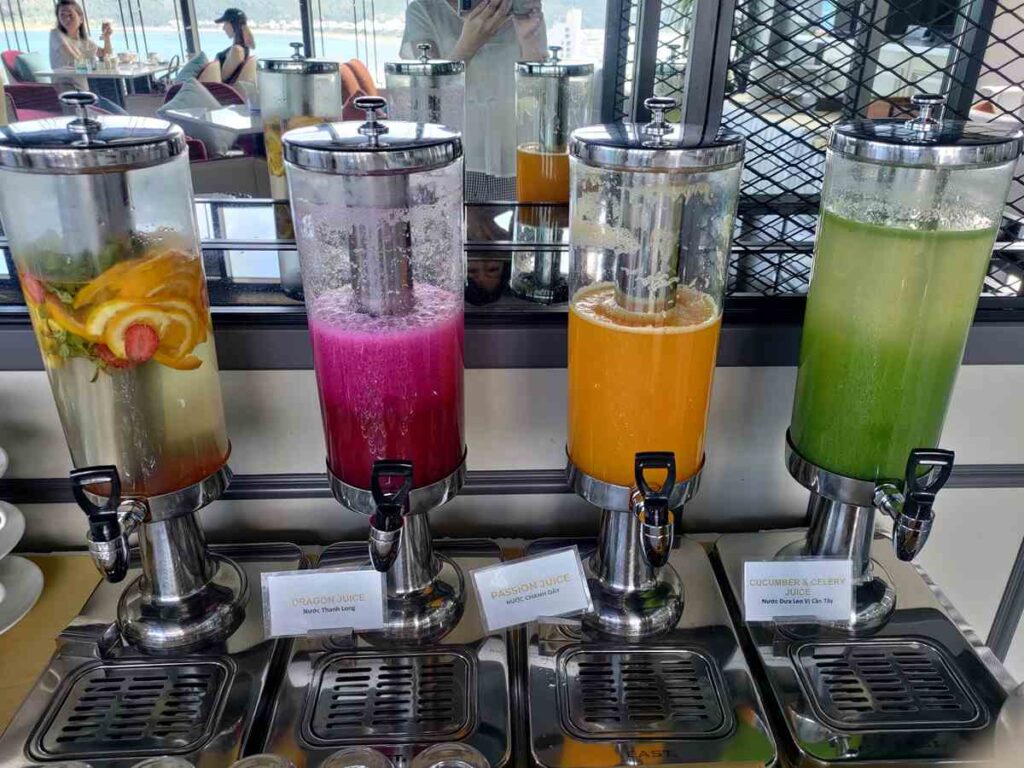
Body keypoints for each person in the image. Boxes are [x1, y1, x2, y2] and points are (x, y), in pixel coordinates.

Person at [401, 0, 547, 201]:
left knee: (524, 219)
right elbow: (428, 96)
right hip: (455, 158)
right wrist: (468, 44)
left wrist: (528, 38)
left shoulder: (519, 8)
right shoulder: (425, 10)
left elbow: (537, 94)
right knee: (454, 218)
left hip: (516, 156)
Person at [49, 0, 125, 114]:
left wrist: (107, 37)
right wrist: (93, 62)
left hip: (85, 91)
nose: (66, 19)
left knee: (121, 115)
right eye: (62, 15)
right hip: (66, 90)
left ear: (80, 18)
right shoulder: (56, 34)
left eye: (70, 15)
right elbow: (75, 58)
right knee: (107, 116)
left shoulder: (84, 41)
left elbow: (106, 54)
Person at [214, 8, 255, 85]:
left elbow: (221, 79)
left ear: (234, 25)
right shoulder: (241, 49)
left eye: (226, 23)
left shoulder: (237, 50)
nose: (223, 28)